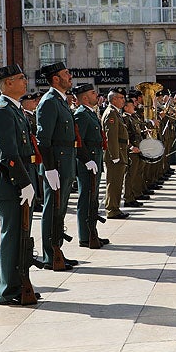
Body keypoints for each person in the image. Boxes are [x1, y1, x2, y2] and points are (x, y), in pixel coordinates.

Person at [0, 64, 39, 306]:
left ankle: (19, 282)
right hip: (10, 181)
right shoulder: (2, 111)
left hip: (20, 177)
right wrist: (23, 182)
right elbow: (8, 152)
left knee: (21, 234)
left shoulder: (14, 109)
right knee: (12, 235)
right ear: (8, 83)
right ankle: (8, 290)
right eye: (20, 78)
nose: (25, 81)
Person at [36, 61, 78, 270]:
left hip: (66, 161)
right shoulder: (49, 102)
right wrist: (50, 168)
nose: (70, 76)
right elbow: (43, 140)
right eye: (65, 73)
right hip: (57, 163)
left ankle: (57, 250)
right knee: (52, 209)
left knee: (60, 209)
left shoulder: (61, 101)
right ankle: (50, 254)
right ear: (55, 79)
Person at [72, 83, 108, 248]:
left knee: (92, 198)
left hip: (95, 159)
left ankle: (92, 232)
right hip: (88, 162)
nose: (96, 95)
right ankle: (85, 236)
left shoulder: (90, 113)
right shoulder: (81, 115)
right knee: (86, 198)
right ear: (85, 97)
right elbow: (79, 142)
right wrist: (87, 160)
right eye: (93, 93)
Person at [101, 88, 130, 220]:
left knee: (117, 183)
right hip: (116, 154)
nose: (123, 100)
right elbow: (111, 136)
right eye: (121, 98)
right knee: (113, 183)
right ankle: (112, 210)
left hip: (120, 152)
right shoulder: (111, 113)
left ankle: (115, 208)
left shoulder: (115, 113)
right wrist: (115, 156)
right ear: (114, 99)